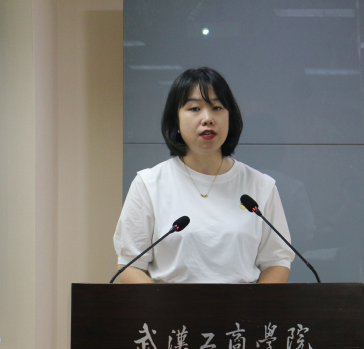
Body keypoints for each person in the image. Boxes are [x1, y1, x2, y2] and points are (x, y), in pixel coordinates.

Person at [113, 67, 294, 283]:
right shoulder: (149, 184)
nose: (207, 118)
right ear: (176, 120)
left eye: (217, 108)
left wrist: (254, 305)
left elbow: (277, 261)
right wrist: (164, 304)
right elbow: (130, 266)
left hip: (243, 305)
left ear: (230, 118)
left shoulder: (261, 186)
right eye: (194, 108)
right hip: (168, 305)